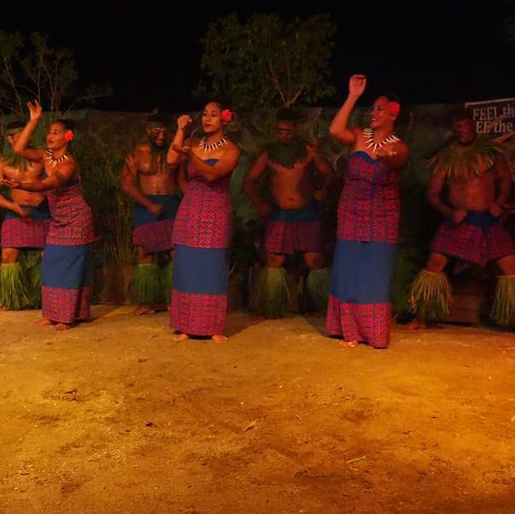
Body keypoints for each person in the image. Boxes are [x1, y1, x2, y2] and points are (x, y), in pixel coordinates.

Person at [407, 111, 515, 336]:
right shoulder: (446, 159)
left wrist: (500, 202)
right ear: (454, 130)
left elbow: (505, 179)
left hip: (487, 219)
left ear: (474, 127)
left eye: (467, 125)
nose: (463, 129)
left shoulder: (491, 154)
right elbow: (433, 194)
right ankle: (421, 317)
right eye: (458, 126)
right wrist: (450, 211)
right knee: (434, 265)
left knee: (512, 269)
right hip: (459, 221)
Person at [326, 75, 409, 348]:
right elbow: (335, 131)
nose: (373, 113)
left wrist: (389, 156)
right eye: (372, 108)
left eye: (379, 109)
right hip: (350, 212)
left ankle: (372, 333)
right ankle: (349, 332)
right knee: (348, 270)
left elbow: (399, 157)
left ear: (393, 115)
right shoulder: (360, 136)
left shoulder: (398, 145)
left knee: (373, 273)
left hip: (382, 217)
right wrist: (352, 96)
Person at [9, 101, 95, 330]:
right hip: (58, 220)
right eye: (48, 132)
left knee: (70, 267)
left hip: (77, 219)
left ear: (68, 136)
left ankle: (68, 317)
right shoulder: (45, 156)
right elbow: (18, 149)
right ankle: (52, 313)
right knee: (49, 265)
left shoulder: (69, 165)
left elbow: (50, 183)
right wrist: (34, 120)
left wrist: (25, 185)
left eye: (55, 132)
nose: (50, 136)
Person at [243, 107, 335, 318]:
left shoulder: (309, 151)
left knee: (315, 261)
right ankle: (272, 307)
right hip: (280, 214)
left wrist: (322, 191)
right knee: (274, 261)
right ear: (275, 130)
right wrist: (259, 204)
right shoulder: (268, 154)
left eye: (288, 131)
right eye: (280, 131)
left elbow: (328, 173)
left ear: (296, 129)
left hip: (306, 212)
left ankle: (326, 308)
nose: (284, 134)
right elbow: (248, 181)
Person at [166, 101, 240, 343]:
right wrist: (181, 130)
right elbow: (170, 160)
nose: (207, 118)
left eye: (214, 114)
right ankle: (185, 325)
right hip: (190, 210)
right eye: (205, 114)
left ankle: (213, 326)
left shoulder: (231, 149)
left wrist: (190, 156)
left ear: (224, 120)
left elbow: (211, 174)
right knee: (187, 265)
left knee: (212, 266)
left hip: (216, 211)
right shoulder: (193, 143)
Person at [120, 112, 184, 314]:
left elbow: (181, 181)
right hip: (145, 206)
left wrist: (194, 202)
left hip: (171, 205)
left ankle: (176, 299)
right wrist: (148, 205)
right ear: (148, 130)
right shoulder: (137, 153)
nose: (162, 136)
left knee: (176, 252)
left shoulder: (175, 153)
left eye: (165, 132)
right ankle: (146, 302)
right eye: (157, 131)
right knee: (144, 253)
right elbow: (127, 184)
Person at [0, 121, 49, 310]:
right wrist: (13, 206)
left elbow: (60, 179)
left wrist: (45, 194)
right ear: (10, 138)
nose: (26, 138)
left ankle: (44, 297)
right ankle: (11, 298)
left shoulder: (41, 157)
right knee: (8, 255)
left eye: (28, 134)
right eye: (21, 134)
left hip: (43, 213)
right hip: (16, 213)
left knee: (46, 256)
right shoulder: (2, 163)